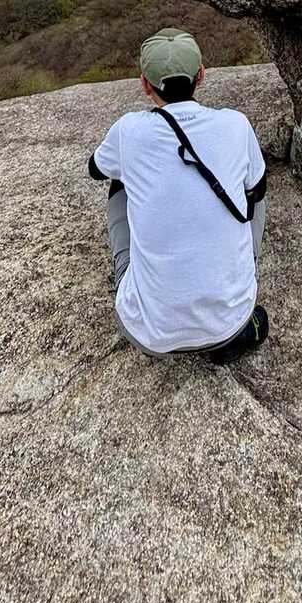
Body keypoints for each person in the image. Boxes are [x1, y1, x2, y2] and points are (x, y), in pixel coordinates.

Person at [88, 27, 269, 363]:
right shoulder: (236, 124)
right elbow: (257, 189)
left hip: (149, 332)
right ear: (201, 76)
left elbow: (96, 169)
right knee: (256, 190)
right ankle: (234, 293)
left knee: (119, 182)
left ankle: (134, 280)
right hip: (232, 321)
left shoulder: (129, 130)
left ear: (145, 84)